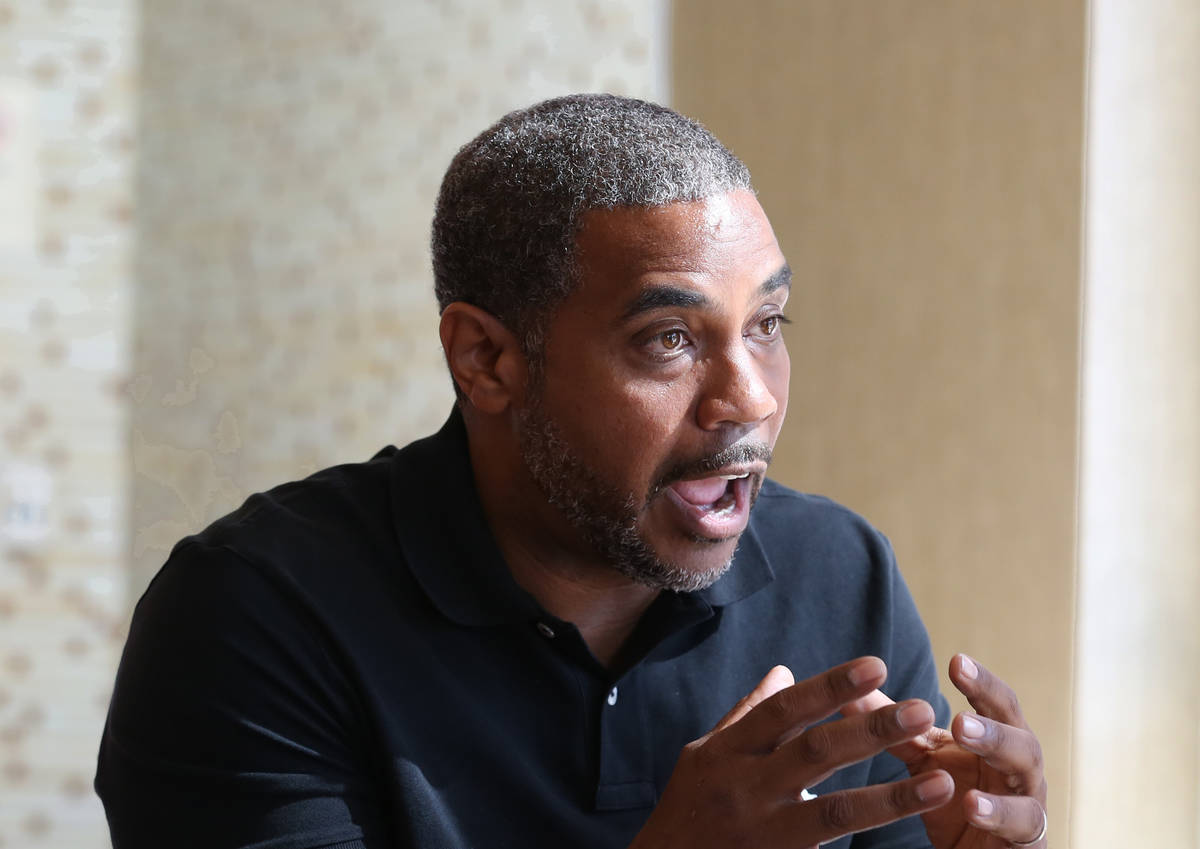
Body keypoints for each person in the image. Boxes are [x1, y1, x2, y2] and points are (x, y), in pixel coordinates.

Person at [95, 94, 1048, 849]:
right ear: (488, 361)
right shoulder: (252, 617)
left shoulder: (838, 570)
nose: (750, 398)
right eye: (669, 339)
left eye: (766, 324)